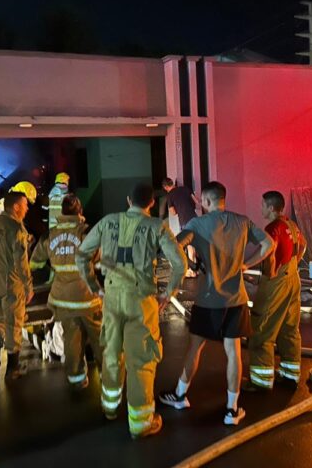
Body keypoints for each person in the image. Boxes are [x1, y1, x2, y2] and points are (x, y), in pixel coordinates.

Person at [76, 183, 187, 439]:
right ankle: (140, 423)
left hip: (112, 297)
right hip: (142, 301)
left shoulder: (107, 222)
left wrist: (95, 287)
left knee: (112, 353)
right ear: (150, 203)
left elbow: (82, 255)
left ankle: (110, 408)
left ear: (128, 200)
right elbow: (179, 263)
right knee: (142, 360)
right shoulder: (157, 227)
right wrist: (168, 292)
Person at [159, 181, 274, 426]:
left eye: (202, 200)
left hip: (208, 300)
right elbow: (268, 244)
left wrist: (189, 266)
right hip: (236, 300)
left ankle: (180, 395)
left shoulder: (197, 225)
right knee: (233, 354)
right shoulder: (243, 222)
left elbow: (174, 245)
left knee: (195, 348)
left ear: (207, 201)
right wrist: (247, 264)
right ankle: (232, 410)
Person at [30, 194, 102, 389]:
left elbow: (34, 262)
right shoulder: (87, 233)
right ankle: (108, 376)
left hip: (62, 299)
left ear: (62, 212)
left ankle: (77, 379)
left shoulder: (50, 235)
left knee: (72, 340)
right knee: (100, 337)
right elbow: (99, 260)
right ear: (80, 212)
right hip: (87, 298)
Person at [244, 191, 307, 391]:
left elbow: (267, 249)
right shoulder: (291, 224)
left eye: (263, 205)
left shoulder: (272, 228)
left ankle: (261, 382)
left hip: (276, 283)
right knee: (289, 327)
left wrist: (246, 266)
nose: (261, 208)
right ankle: (290, 374)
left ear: (271, 208)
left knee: (262, 328)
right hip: (293, 278)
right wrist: (292, 263)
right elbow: (303, 245)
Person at [0, 191, 34, 381]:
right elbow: (21, 263)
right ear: (16, 207)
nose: (27, 209)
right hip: (11, 283)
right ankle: (13, 368)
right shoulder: (15, 228)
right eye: (25, 205)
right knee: (13, 324)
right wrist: (28, 286)